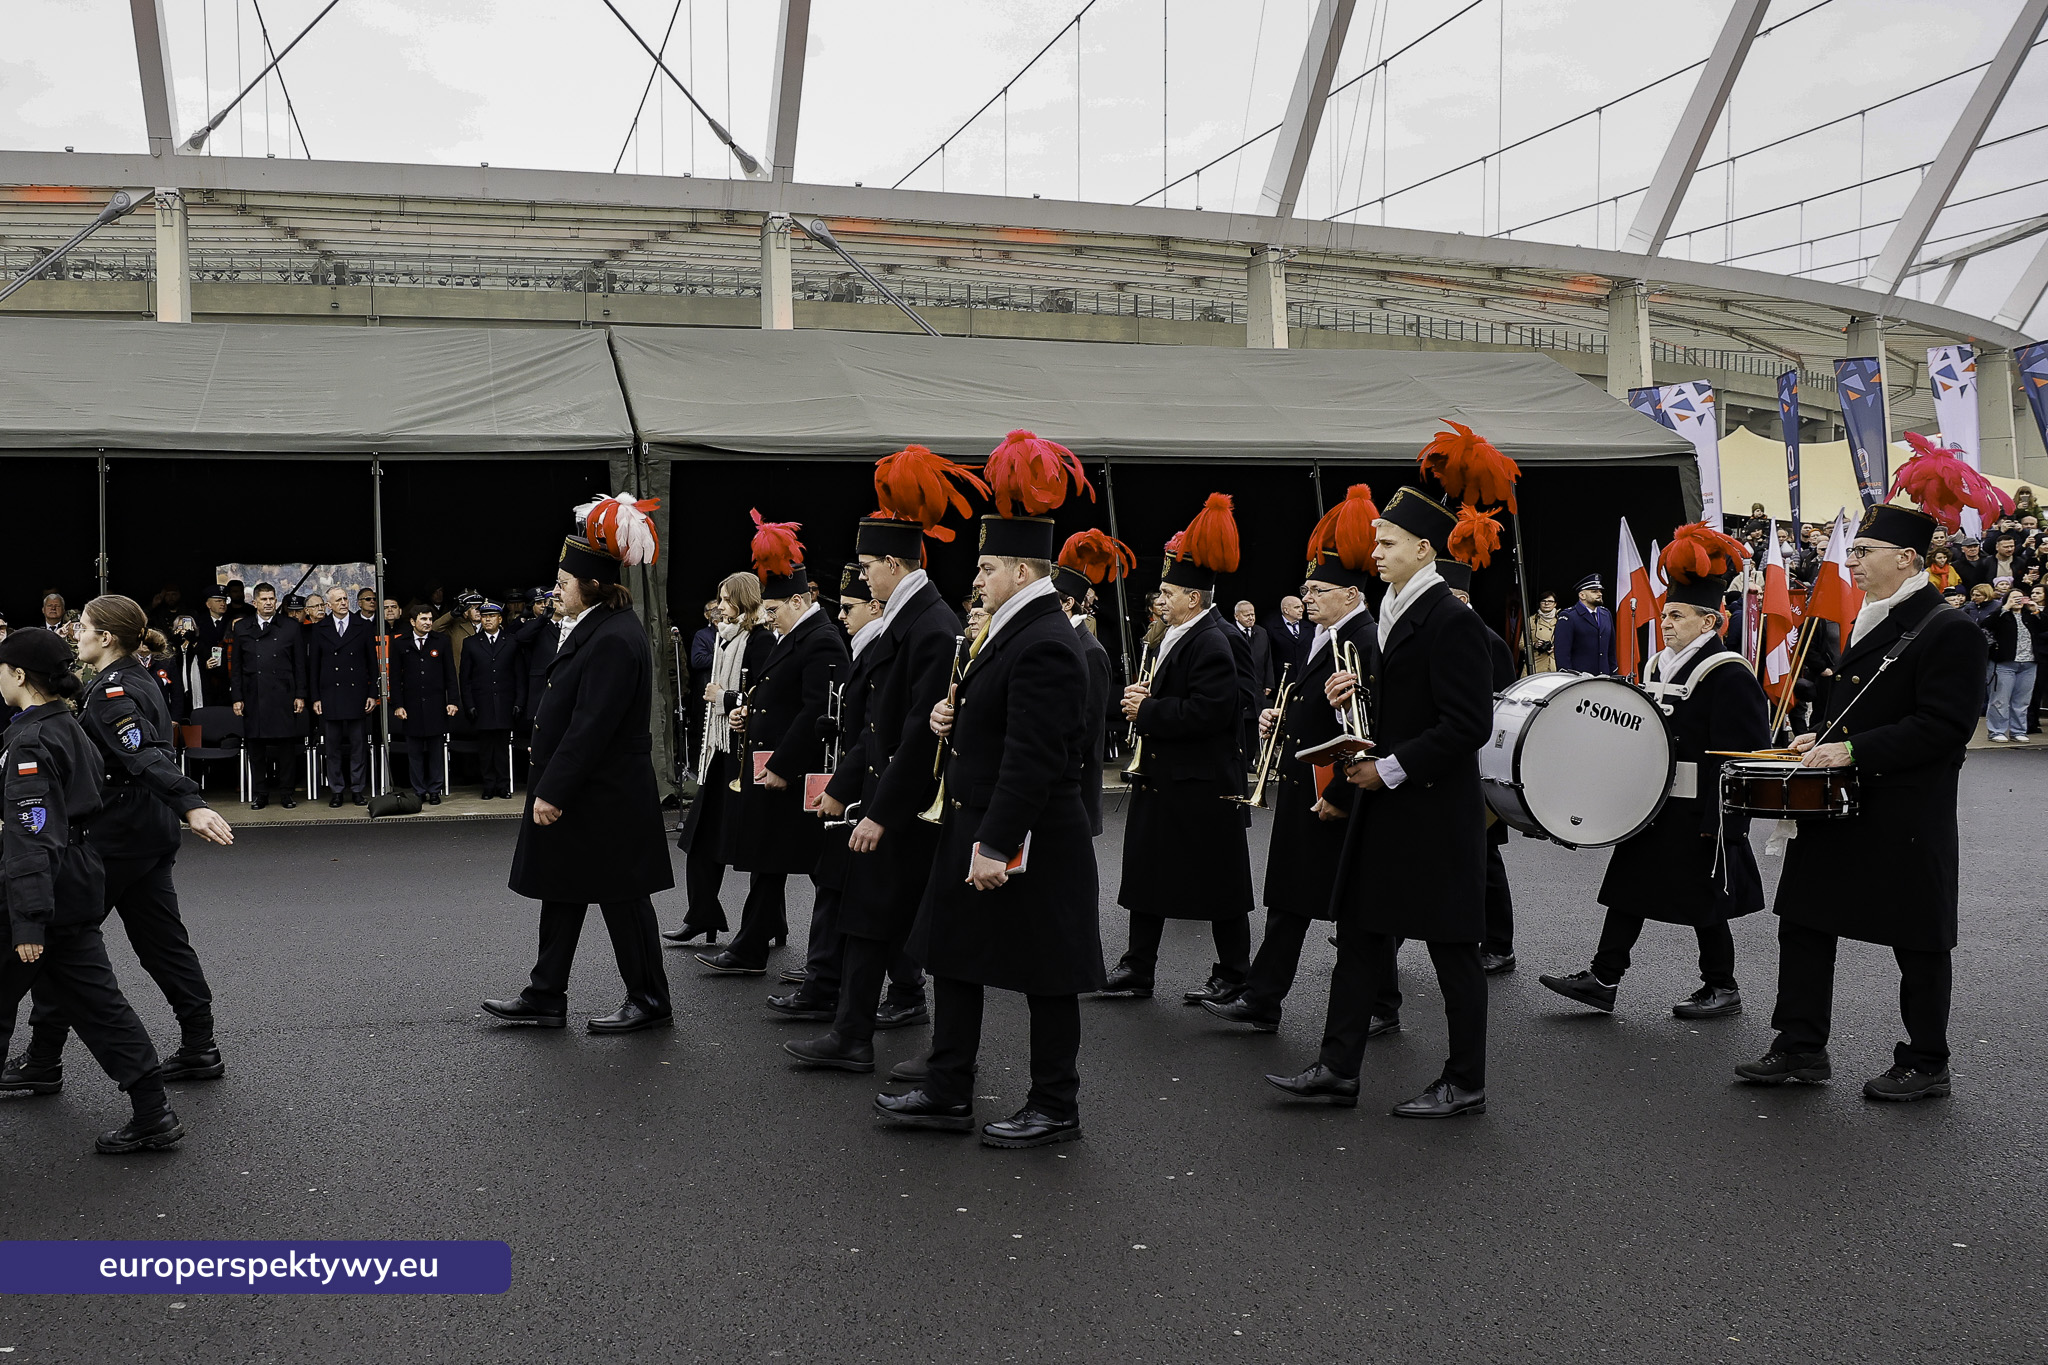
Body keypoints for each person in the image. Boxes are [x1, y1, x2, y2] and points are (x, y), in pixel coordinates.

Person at [1267, 426, 1510, 1119]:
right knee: (1362, 938)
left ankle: (1466, 1082)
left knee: (1453, 952)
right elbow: (1402, 710)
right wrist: (1356, 705)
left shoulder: (1451, 620)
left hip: (1432, 812)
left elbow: (1467, 725)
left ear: (1424, 549)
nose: (1372, 553)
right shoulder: (1388, 616)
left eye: (1386, 544)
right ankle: (1338, 1069)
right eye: (1375, 543)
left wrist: (1392, 768)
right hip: (1386, 804)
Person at [877, 434, 1102, 1147]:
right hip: (978, 819)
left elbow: (1036, 757)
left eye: (986, 566)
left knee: (1048, 973)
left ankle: (1055, 1104)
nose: (976, 578)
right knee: (954, 955)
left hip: (1023, 830)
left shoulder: (1043, 638)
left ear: (1021, 568)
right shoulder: (1015, 628)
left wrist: (996, 842)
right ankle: (948, 1088)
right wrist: (954, 715)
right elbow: (1001, 721)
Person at [1738, 470, 1991, 1102]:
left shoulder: (1946, 628)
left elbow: (1944, 726)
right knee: (1803, 919)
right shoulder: (1871, 619)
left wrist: (1849, 748)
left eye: (1862, 552)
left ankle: (1927, 1061)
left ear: (1906, 559)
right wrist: (1816, 736)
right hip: (1842, 802)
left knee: (1919, 939)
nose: (1851, 560)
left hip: (1905, 810)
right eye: (1852, 550)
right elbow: (1861, 704)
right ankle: (1800, 1046)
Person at [786, 452, 982, 1069]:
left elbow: (918, 734)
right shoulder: (910, 619)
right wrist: (843, 788)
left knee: (902, 926)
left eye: (869, 567)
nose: (861, 578)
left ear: (894, 564)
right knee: (869, 920)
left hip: (905, 807)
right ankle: (853, 1034)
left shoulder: (929, 625)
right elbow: (872, 727)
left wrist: (880, 811)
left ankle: (885, 1041)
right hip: (880, 795)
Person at [3, 595, 236, 1101]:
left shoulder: (111, 693)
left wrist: (189, 803)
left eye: (82, 626)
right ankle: (200, 1043)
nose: (76, 634)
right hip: (148, 834)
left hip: (118, 834)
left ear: (105, 637)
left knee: (64, 940)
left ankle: (43, 1060)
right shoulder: (138, 675)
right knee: (163, 944)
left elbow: (143, 754)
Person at [1539, 526, 1768, 1020]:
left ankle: (1722, 986)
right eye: (1665, 615)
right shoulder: (1659, 664)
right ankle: (1603, 978)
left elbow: (1745, 754)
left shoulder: (1728, 671)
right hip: (1654, 801)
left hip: (1701, 808)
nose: (1666, 623)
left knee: (1705, 900)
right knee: (1629, 889)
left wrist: (1722, 821)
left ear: (1709, 621)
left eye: (1677, 616)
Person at [1205, 487, 1398, 1037]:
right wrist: (1278, 719)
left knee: (1347, 906)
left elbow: (1368, 728)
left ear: (1350, 594)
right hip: (1303, 783)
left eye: (1317, 590)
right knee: (1294, 899)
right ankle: (1267, 999)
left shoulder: (1363, 639)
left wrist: (1340, 794)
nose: (1306, 597)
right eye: (1306, 588)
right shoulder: (1322, 634)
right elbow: (1312, 705)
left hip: (1333, 789)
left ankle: (1375, 1002)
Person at [484, 495, 673, 1034]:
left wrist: (554, 789)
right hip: (591, 789)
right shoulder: (600, 628)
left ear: (591, 586)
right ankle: (545, 995)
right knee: (563, 888)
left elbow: (592, 725)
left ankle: (651, 1000)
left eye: (563, 581)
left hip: (605, 793)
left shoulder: (614, 637)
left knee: (623, 900)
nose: (555, 589)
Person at [0, 628, 185, 1153]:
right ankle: (153, 1111)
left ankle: (141, 1107)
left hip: (44, 886)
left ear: (18, 675)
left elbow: (32, 835)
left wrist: (29, 918)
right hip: (81, 874)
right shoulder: (67, 724)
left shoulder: (32, 739)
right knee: (100, 1004)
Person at [1102, 494, 1255, 1008]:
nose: (1160, 600)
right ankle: (1137, 967)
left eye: (1169, 592)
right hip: (1168, 778)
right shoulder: (1177, 634)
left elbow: (1213, 712)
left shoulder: (1213, 640)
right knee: (1146, 874)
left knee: (1220, 887)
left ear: (1194, 597)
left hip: (1201, 783)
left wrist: (1147, 712)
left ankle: (1234, 974)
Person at [697, 512, 848, 975]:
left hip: (798, 774)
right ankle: (751, 947)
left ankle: (831, 961)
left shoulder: (819, 639)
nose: (769, 616)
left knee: (822, 870)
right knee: (769, 861)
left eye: (775, 608)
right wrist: (747, 712)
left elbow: (816, 712)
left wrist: (781, 763)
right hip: (776, 765)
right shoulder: (795, 635)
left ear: (799, 600)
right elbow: (775, 697)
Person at [772, 564, 891, 1026]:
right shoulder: (864, 643)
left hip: (862, 789)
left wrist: (840, 785)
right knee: (835, 887)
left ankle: (838, 986)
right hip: (853, 782)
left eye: (849, 607)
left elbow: (873, 729)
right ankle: (826, 979)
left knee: (849, 892)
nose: (841, 616)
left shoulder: (876, 645)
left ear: (874, 607)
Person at [665, 574, 772, 947]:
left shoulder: (761, 640)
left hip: (743, 757)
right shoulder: (725, 641)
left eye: (726, 599)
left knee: (759, 850)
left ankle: (770, 923)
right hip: (719, 755)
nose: (720, 606)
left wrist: (724, 698)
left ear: (743, 601)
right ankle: (702, 914)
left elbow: (766, 697)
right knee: (699, 839)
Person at [1437, 558, 1519, 974]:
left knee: (1484, 860)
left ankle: (1500, 944)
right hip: (1442, 764)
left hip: (1478, 767)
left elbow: (1501, 713)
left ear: (1462, 597)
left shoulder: (1488, 640)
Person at [1051, 529, 1125, 838]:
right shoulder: (1061, 641)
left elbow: (1089, 726)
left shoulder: (1091, 651)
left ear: (1068, 603)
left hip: (1073, 786)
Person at [230, 583, 306, 810]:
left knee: (286, 749)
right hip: (254, 694)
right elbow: (236, 667)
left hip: (283, 694)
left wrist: (300, 694)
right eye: (263, 599)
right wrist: (237, 697)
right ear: (254, 602)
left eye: (271, 599)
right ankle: (261, 793)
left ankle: (286, 793)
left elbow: (299, 665)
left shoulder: (290, 626)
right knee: (256, 748)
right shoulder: (242, 627)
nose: (268, 603)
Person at [307, 586, 377, 808]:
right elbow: (314, 667)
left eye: (345, 598)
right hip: (330, 694)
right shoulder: (320, 629)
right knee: (333, 747)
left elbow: (372, 665)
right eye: (338, 600)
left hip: (356, 694)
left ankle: (357, 789)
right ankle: (336, 790)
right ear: (329, 605)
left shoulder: (363, 626)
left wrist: (372, 694)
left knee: (358, 746)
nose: (343, 603)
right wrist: (315, 697)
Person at [391, 605, 457, 804]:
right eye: (423, 619)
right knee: (415, 752)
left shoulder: (442, 641)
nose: (428, 623)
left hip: (436, 704)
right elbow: (394, 678)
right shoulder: (400, 643)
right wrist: (398, 705)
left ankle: (435, 789)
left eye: (430, 619)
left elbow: (450, 675)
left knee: (436, 751)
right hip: (411, 706)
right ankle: (419, 790)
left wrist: (452, 701)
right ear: (413, 622)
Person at [461, 601, 522, 798]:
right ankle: (488, 785)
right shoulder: (470, 643)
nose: (487, 619)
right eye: (484, 616)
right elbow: (465, 678)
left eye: (492, 616)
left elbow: (519, 675)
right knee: (486, 749)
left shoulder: (511, 641)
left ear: (500, 619)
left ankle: (503, 785)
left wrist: (519, 701)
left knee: (503, 748)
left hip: (505, 702)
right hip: (482, 704)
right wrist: (468, 704)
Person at [1985, 582, 2045, 744]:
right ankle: (1996, 731)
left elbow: (2044, 626)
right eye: (2014, 598)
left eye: (2020, 598)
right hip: (2005, 663)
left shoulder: (2030, 616)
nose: (2018, 601)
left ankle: (2018, 730)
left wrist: (2036, 610)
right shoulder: (2001, 614)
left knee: (2022, 700)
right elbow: (1986, 625)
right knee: (2000, 699)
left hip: (2029, 663)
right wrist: (2006, 607)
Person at [1554, 573, 1615, 674]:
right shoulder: (1569, 616)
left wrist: (1613, 673)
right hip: (1580, 680)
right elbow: (1562, 653)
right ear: (1582, 595)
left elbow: (1611, 650)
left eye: (1600, 591)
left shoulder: (1606, 614)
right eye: (1594, 591)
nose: (1599, 594)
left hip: (1604, 679)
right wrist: (1568, 677)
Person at [1265, 594, 1310, 675]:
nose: (1301, 610)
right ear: (1286, 610)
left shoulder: (1309, 627)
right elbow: (1267, 657)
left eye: (1301, 607)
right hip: (1282, 677)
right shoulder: (1271, 628)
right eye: (1296, 607)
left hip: (1305, 676)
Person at [1525, 591, 1559, 674]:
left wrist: (1556, 647)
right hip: (1536, 664)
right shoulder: (1531, 620)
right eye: (1543, 601)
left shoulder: (1562, 619)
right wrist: (1535, 644)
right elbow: (1521, 644)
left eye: (1550, 601)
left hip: (1554, 664)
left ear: (1555, 604)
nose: (1546, 603)